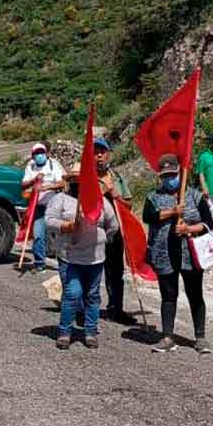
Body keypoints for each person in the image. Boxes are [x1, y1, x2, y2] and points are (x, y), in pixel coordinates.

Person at [143, 154, 213, 354]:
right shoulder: (153, 197)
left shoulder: (195, 196)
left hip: (190, 254)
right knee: (168, 295)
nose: (169, 179)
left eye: (172, 175)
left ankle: (200, 338)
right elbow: (149, 216)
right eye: (165, 176)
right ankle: (167, 337)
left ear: (180, 173)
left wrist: (188, 229)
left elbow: (208, 224)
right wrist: (173, 212)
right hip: (164, 254)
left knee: (195, 294)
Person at [46, 164, 119, 350]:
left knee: (92, 295)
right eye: (75, 180)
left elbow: (113, 224)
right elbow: (49, 220)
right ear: (70, 181)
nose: (78, 183)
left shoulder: (100, 201)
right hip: (69, 256)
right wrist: (66, 226)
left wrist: (101, 239)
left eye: (82, 180)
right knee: (73, 293)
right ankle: (65, 332)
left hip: (95, 258)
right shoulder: (60, 199)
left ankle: (90, 332)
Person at [95, 136, 136, 325]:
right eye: (95, 152)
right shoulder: (83, 177)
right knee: (91, 271)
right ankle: (87, 309)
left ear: (108, 154)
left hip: (115, 232)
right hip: (92, 233)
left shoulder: (117, 178)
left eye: (102, 152)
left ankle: (116, 308)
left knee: (115, 272)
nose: (99, 156)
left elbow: (129, 205)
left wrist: (116, 196)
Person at [21, 142, 65, 274]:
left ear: (46, 153)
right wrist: (34, 180)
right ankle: (40, 263)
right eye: (37, 153)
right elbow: (23, 184)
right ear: (33, 156)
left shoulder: (53, 164)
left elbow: (62, 182)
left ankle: (64, 263)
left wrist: (46, 187)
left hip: (53, 205)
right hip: (38, 207)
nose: (40, 155)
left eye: (42, 152)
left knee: (59, 235)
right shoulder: (31, 166)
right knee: (38, 235)